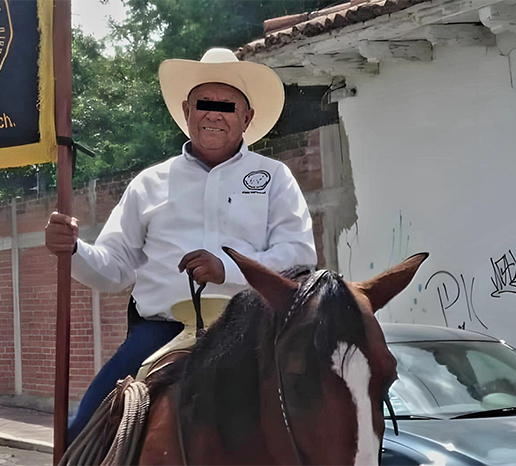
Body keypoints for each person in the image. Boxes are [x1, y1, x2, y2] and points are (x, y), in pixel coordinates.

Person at [45, 47, 318, 443]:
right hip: (160, 335)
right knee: (82, 432)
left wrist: (228, 269)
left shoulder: (275, 177)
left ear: (247, 118)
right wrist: (72, 249)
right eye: (204, 104)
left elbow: (298, 258)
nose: (213, 115)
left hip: (255, 332)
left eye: (226, 106)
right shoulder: (148, 183)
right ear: (187, 110)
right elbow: (113, 269)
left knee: (321, 430)